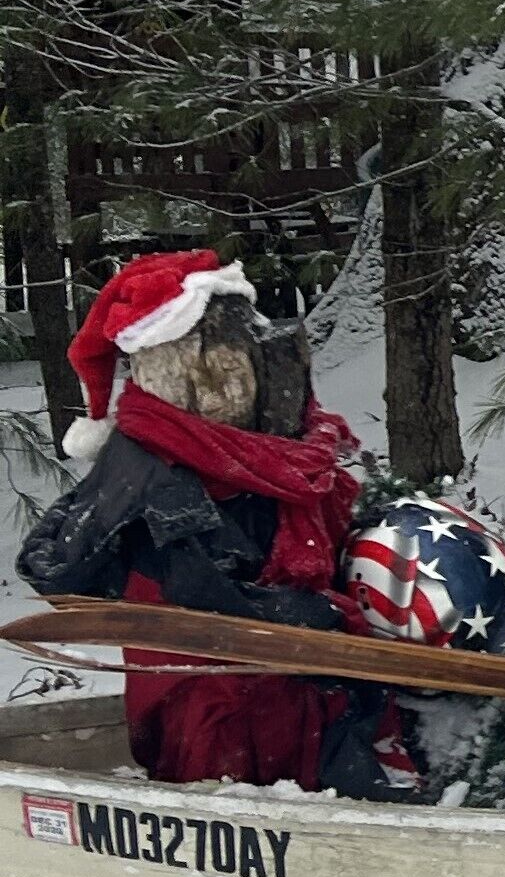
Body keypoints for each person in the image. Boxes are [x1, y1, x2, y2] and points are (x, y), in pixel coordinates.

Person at [15, 249, 414, 795]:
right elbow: (205, 596)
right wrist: (316, 622)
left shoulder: (287, 450)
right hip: (213, 693)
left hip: (294, 691)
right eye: (208, 374)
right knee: (232, 773)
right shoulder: (152, 476)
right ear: (162, 375)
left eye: (239, 370)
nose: (227, 393)